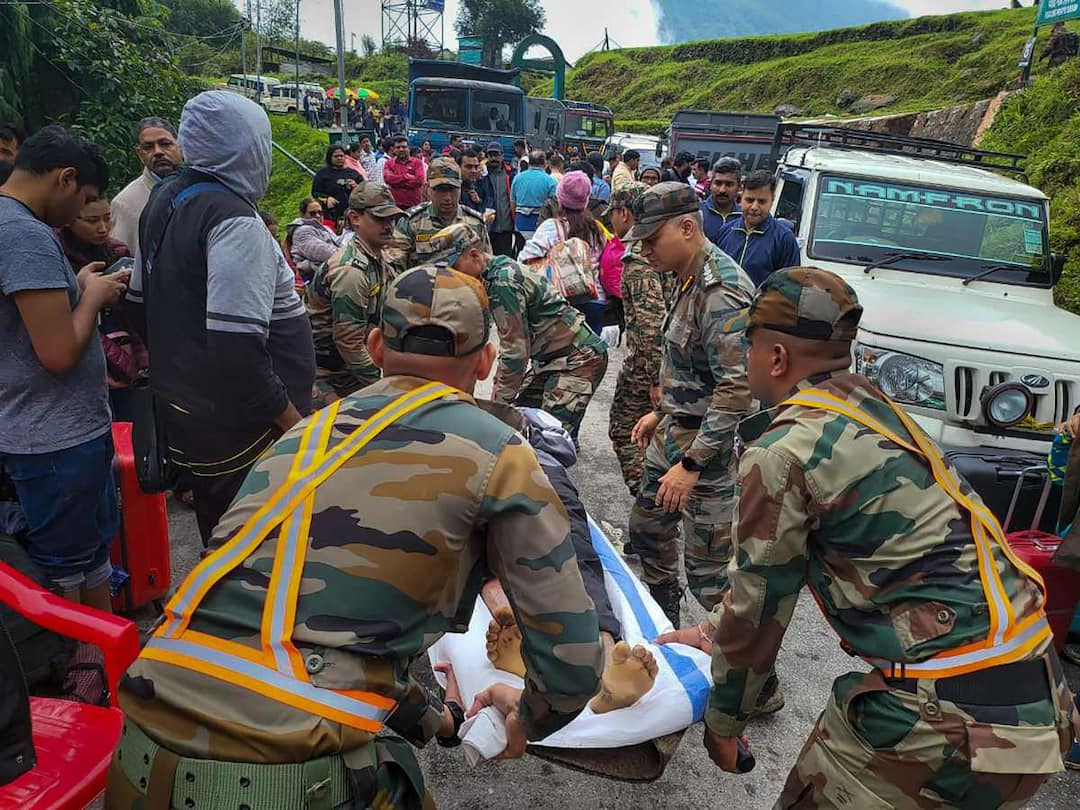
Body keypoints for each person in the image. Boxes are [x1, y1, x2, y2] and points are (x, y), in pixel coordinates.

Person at [106, 263, 603, 810]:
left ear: (374, 347)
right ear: (487, 359)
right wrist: (529, 717)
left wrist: (439, 720)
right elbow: (571, 663)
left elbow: (304, 634)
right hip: (285, 784)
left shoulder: (307, 435)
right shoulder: (501, 454)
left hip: (138, 762)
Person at [661, 267, 1075, 807]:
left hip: (943, 725)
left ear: (777, 358)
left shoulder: (785, 449)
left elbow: (761, 601)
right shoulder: (878, 411)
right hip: (1037, 709)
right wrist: (713, 629)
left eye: (750, 345)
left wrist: (723, 720)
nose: (745, 359)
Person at [126, 90, 315, 546]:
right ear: (248, 148)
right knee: (258, 550)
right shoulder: (234, 220)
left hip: (193, 417)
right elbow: (236, 350)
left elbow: (136, 304)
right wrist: (294, 425)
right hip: (247, 434)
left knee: (222, 537)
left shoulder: (166, 199)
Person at [0, 125, 129, 611]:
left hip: (56, 432)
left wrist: (73, 287)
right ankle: (77, 668)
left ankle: (99, 659)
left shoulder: (10, 223)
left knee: (90, 555)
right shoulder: (24, 235)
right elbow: (56, 353)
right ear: (66, 178)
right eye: (87, 198)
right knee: (62, 566)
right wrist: (92, 299)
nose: (83, 212)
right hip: (53, 438)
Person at [625, 182, 756, 633]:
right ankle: (667, 628)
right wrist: (662, 414)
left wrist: (692, 464)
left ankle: (751, 679)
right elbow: (694, 366)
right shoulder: (686, 277)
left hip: (707, 455)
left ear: (687, 227)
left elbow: (736, 391)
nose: (644, 250)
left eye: (650, 238)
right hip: (675, 436)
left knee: (711, 578)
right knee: (646, 532)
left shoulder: (720, 292)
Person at [429, 223, 608, 438]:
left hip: (578, 359)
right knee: (519, 425)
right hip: (550, 361)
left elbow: (515, 353)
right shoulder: (489, 275)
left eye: (453, 268)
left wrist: (495, 408)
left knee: (548, 440)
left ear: (475, 256)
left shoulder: (503, 283)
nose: (450, 276)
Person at [307, 183, 402, 408]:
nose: (389, 226)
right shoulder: (351, 271)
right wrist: (381, 385)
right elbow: (349, 343)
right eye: (380, 219)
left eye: (391, 219)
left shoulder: (379, 261)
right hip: (326, 377)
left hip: (351, 370)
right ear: (355, 218)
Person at [606, 182, 674, 494]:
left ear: (625, 213)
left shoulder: (638, 261)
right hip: (667, 364)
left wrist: (655, 380)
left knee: (626, 431)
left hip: (645, 368)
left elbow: (650, 326)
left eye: (614, 213)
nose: (612, 221)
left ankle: (649, 504)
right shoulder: (667, 251)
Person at [58, 193, 148, 422]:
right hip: (85, 355)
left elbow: (133, 315)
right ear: (69, 218)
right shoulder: (57, 256)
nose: (102, 228)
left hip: (126, 347)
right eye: (91, 220)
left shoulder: (118, 251)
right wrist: (85, 290)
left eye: (108, 218)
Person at [518, 171, 609, 335]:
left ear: (559, 199)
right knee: (589, 357)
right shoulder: (598, 230)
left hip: (560, 303)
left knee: (556, 357)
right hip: (595, 302)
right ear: (586, 200)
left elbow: (524, 260)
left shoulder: (550, 227)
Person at [388, 155, 490, 275]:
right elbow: (395, 268)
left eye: (452, 189)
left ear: (460, 187)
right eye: (441, 190)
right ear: (428, 189)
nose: (447, 197)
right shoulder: (412, 223)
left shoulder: (475, 222)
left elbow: (486, 266)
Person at [716, 170, 801, 286]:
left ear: (772, 201)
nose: (754, 207)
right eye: (749, 200)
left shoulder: (784, 239)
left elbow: (790, 287)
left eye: (762, 201)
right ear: (740, 198)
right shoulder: (726, 231)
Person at [109, 117, 182, 251]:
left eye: (165, 144)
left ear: (180, 146)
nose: (158, 152)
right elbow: (121, 260)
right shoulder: (125, 204)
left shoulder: (199, 187)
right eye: (148, 147)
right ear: (140, 154)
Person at [287, 196, 341, 282]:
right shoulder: (302, 231)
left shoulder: (325, 228)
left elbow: (340, 242)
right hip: (314, 277)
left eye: (320, 212)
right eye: (312, 213)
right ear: (302, 215)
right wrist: (347, 252)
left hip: (331, 268)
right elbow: (325, 253)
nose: (318, 216)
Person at [477, 141, 515, 257]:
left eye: (496, 155)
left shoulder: (510, 174)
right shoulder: (482, 174)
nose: (493, 158)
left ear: (502, 156)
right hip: (487, 228)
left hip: (505, 227)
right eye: (490, 155)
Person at [311, 144, 362, 228]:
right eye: (336, 156)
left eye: (341, 156)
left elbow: (365, 190)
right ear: (330, 157)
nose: (339, 158)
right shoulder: (322, 173)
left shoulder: (353, 173)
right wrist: (327, 199)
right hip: (330, 216)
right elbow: (315, 193)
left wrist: (356, 187)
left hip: (352, 215)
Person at [511, 148, 557, 239]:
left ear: (529, 163)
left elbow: (512, 203)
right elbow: (554, 208)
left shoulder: (517, 178)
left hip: (520, 223)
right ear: (545, 164)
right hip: (542, 226)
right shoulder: (550, 181)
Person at [701, 157, 742, 245]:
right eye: (718, 183)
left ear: (739, 187)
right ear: (710, 184)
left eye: (729, 184)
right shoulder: (697, 214)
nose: (722, 190)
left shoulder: (745, 217)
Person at [381, 134, 425, 210]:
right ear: (393, 149)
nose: (401, 149)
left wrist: (396, 183)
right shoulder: (389, 163)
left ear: (408, 148)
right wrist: (406, 177)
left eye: (404, 147)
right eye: (398, 147)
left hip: (414, 206)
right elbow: (388, 179)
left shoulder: (417, 162)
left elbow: (419, 181)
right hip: (395, 205)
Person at [459, 146, 485, 210]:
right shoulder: (450, 190)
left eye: (476, 167)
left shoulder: (478, 188)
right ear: (458, 167)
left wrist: (478, 202)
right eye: (469, 167)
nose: (473, 171)